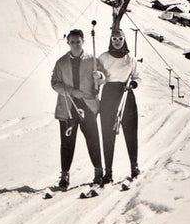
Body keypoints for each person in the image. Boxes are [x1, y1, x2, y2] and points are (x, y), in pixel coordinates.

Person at [51, 28, 104, 190]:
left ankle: (98, 172)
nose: (75, 45)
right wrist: (71, 91)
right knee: (67, 142)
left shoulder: (92, 60)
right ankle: (65, 175)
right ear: (68, 43)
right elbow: (54, 83)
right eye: (72, 42)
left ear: (83, 42)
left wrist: (99, 77)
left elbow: (103, 77)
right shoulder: (61, 62)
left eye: (78, 42)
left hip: (87, 105)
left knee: (93, 138)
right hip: (67, 106)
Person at [97, 28, 140, 184]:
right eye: (114, 39)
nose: (117, 42)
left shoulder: (130, 59)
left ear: (124, 39)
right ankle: (108, 172)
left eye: (119, 39)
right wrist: (98, 77)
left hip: (126, 94)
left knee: (130, 131)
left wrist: (133, 83)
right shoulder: (103, 57)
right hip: (109, 95)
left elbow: (137, 76)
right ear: (110, 40)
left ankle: (134, 166)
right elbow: (97, 75)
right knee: (108, 132)